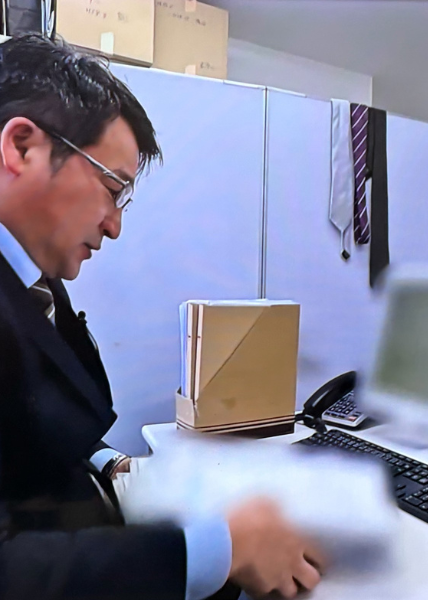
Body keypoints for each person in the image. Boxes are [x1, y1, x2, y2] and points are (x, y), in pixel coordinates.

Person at [0, 34, 323, 600]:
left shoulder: (34, 281)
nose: (114, 225)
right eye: (111, 188)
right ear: (22, 147)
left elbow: (24, 433)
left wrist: (109, 464)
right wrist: (219, 551)